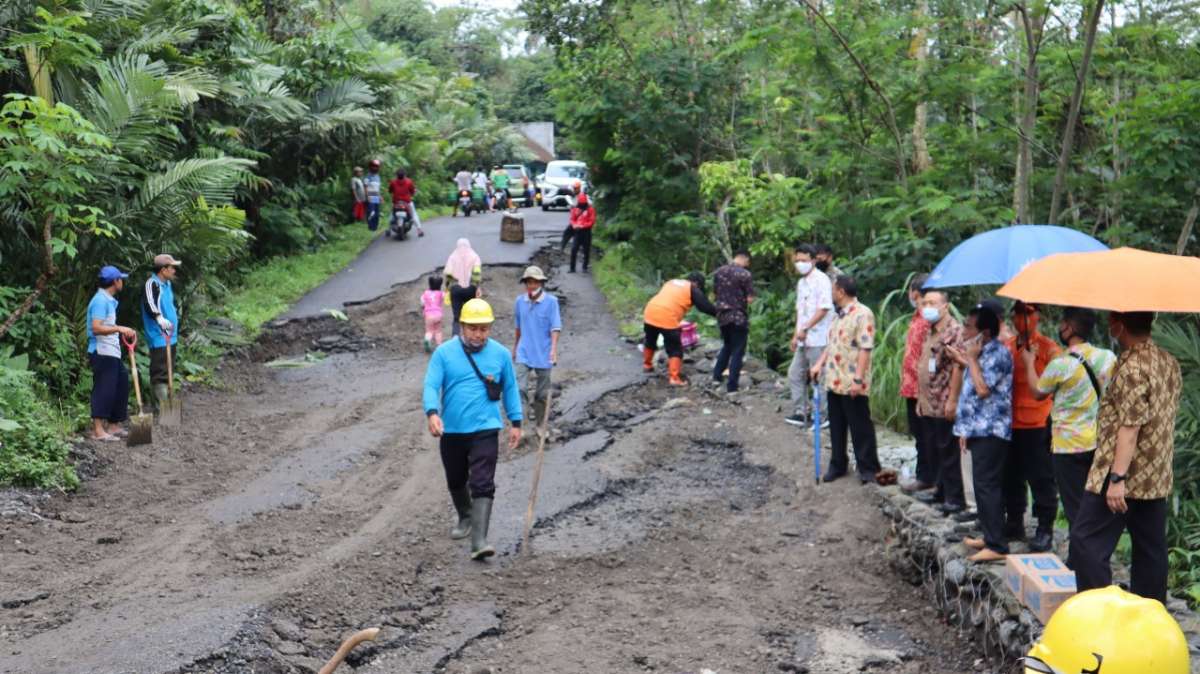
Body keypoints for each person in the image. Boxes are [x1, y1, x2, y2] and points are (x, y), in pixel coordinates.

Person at [1070, 311, 1181, 603]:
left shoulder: (1132, 368)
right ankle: (1151, 616)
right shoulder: (1167, 361)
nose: (1109, 326)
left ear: (1120, 326)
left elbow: (1129, 427)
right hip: (1155, 472)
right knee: (1150, 549)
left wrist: (1117, 478)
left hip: (1121, 470)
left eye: (1112, 321)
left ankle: (1097, 614)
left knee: (1086, 542)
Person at [423, 298, 523, 560]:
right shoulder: (444, 353)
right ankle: (465, 516)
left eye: (484, 329)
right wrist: (432, 413)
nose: (479, 334)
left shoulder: (500, 354)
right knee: (456, 478)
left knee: (482, 481)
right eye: (473, 328)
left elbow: (510, 388)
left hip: (486, 428)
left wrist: (516, 422)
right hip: (453, 430)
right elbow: (431, 385)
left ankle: (479, 540)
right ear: (462, 326)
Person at [1022, 307, 1116, 564]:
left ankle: (1082, 561)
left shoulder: (1061, 364)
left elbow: (1037, 392)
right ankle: (1086, 556)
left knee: (1075, 506)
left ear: (1070, 328)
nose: (1060, 328)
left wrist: (1030, 363)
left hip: (1068, 447)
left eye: (1063, 323)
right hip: (1098, 442)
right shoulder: (1107, 357)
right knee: (1093, 504)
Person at [947, 301, 1013, 562]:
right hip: (978, 429)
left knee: (987, 486)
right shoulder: (983, 352)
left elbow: (983, 389)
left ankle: (997, 545)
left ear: (983, 333)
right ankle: (988, 535)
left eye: (968, 325)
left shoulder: (998, 353)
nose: (963, 329)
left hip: (992, 431)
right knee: (981, 483)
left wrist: (970, 360)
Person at [809, 275, 880, 484]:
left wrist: (858, 379)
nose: (831, 293)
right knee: (837, 426)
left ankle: (868, 468)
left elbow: (865, 348)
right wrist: (819, 364)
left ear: (840, 291)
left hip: (852, 381)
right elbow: (831, 345)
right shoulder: (837, 316)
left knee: (860, 426)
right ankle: (838, 464)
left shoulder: (863, 314)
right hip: (834, 379)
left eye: (833, 289)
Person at [1004, 301, 1061, 551]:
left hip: (1038, 423)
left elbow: (1061, 378)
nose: (1022, 319)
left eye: (1027, 314)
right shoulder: (1006, 347)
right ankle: (1014, 521)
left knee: (1041, 478)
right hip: (1010, 423)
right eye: (1017, 314)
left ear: (1037, 316)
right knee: (1011, 476)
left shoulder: (1049, 349)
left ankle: (1044, 528)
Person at [914, 288, 966, 514]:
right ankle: (941, 490)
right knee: (936, 448)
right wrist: (919, 397)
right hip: (929, 400)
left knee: (949, 450)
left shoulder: (954, 332)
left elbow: (958, 367)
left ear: (945, 306)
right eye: (924, 303)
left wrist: (953, 400)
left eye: (932, 303)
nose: (927, 307)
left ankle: (954, 498)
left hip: (945, 399)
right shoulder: (931, 330)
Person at [785, 244, 833, 426]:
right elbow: (800, 311)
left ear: (813, 260)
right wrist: (795, 334)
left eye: (804, 260)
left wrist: (805, 328)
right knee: (795, 373)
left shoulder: (822, 280)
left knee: (819, 377)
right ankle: (801, 411)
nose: (800, 264)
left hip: (819, 337)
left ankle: (822, 415)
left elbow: (824, 308)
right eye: (797, 260)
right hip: (803, 338)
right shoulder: (801, 282)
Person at [88, 266, 137, 442]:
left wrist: (122, 330)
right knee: (104, 389)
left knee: (121, 384)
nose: (122, 282)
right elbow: (96, 327)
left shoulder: (108, 300)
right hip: (101, 351)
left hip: (112, 351)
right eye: (121, 279)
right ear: (116, 281)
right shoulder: (101, 300)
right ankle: (98, 430)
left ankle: (114, 425)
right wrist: (118, 328)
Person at [642, 272, 717, 386]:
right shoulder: (692, 288)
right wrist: (720, 314)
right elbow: (704, 306)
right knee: (675, 348)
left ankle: (647, 365)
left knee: (650, 339)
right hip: (667, 315)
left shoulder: (671, 282)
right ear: (697, 283)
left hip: (650, 311)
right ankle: (674, 378)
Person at [512, 266, 562, 438]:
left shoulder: (551, 302)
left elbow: (555, 328)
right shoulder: (520, 302)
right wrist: (515, 347)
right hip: (524, 351)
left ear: (541, 283)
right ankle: (522, 426)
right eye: (528, 282)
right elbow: (518, 328)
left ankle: (541, 424)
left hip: (544, 352)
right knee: (519, 389)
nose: (531, 286)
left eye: (535, 282)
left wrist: (554, 350)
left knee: (542, 393)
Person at [899, 273, 933, 492]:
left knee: (925, 436)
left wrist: (923, 390)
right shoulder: (917, 319)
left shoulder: (927, 322)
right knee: (920, 435)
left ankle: (926, 476)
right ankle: (925, 475)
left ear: (914, 293)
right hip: (911, 387)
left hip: (921, 389)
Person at [711, 249, 755, 393]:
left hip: (722, 316)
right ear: (744, 259)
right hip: (738, 316)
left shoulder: (719, 272)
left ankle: (716, 377)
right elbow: (750, 298)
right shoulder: (745, 274)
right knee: (738, 351)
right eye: (748, 262)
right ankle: (732, 386)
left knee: (727, 345)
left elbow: (715, 293)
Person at [141, 254, 182, 407]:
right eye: (172, 268)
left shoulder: (167, 285)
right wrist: (159, 319)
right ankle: (162, 406)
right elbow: (150, 303)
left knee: (169, 369)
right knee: (160, 372)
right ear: (163, 270)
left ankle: (167, 405)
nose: (174, 271)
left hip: (170, 334)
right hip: (158, 335)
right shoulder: (152, 284)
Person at [443, 238, 483, 336]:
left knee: (457, 317)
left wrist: (447, 287)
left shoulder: (452, 256)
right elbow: (477, 273)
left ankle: (455, 338)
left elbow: (448, 273)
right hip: (470, 289)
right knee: (470, 314)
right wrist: (478, 287)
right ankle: (470, 336)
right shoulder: (474, 256)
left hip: (456, 289)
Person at [388, 168, 423, 237]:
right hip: (407, 202)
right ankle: (419, 230)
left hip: (396, 202)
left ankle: (388, 230)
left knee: (392, 214)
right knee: (414, 214)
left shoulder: (393, 182)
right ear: (404, 175)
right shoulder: (409, 182)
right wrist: (411, 194)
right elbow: (412, 192)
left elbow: (390, 191)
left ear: (396, 175)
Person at [568, 194, 595, 273]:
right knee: (574, 249)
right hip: (577, 232)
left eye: (583, 203)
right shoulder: (576, 209)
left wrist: (583, 226)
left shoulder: (590, 209)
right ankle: (572, 268)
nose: (582, 205)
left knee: (586, 250)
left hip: (586, 232)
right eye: (581, 203)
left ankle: (585, 267)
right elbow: (572, 219)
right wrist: (574, 225)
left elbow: (591, 221)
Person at [420, 276, 445, 353]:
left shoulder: (425, 294)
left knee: (429, 331)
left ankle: (427, 340)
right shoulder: (441, 293)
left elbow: (422, 303)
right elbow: (445, 298)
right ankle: (439, 346)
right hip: (438, 315)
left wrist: (424, 307)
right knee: (438, 331)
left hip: (428, 315)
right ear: (440, 285)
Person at [364, 159, 383, 231]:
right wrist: (367, 196)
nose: (375, 168)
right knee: (371, 212)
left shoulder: (378, 177)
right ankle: (371, 227)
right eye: (374, 166)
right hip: (370, 196)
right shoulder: (368, 176)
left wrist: (380, 196)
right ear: (370, 167)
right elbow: (365, 187)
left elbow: (377, 188)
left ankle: (375, 227)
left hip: (376, 196)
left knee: (377, 213)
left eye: (377, 166)